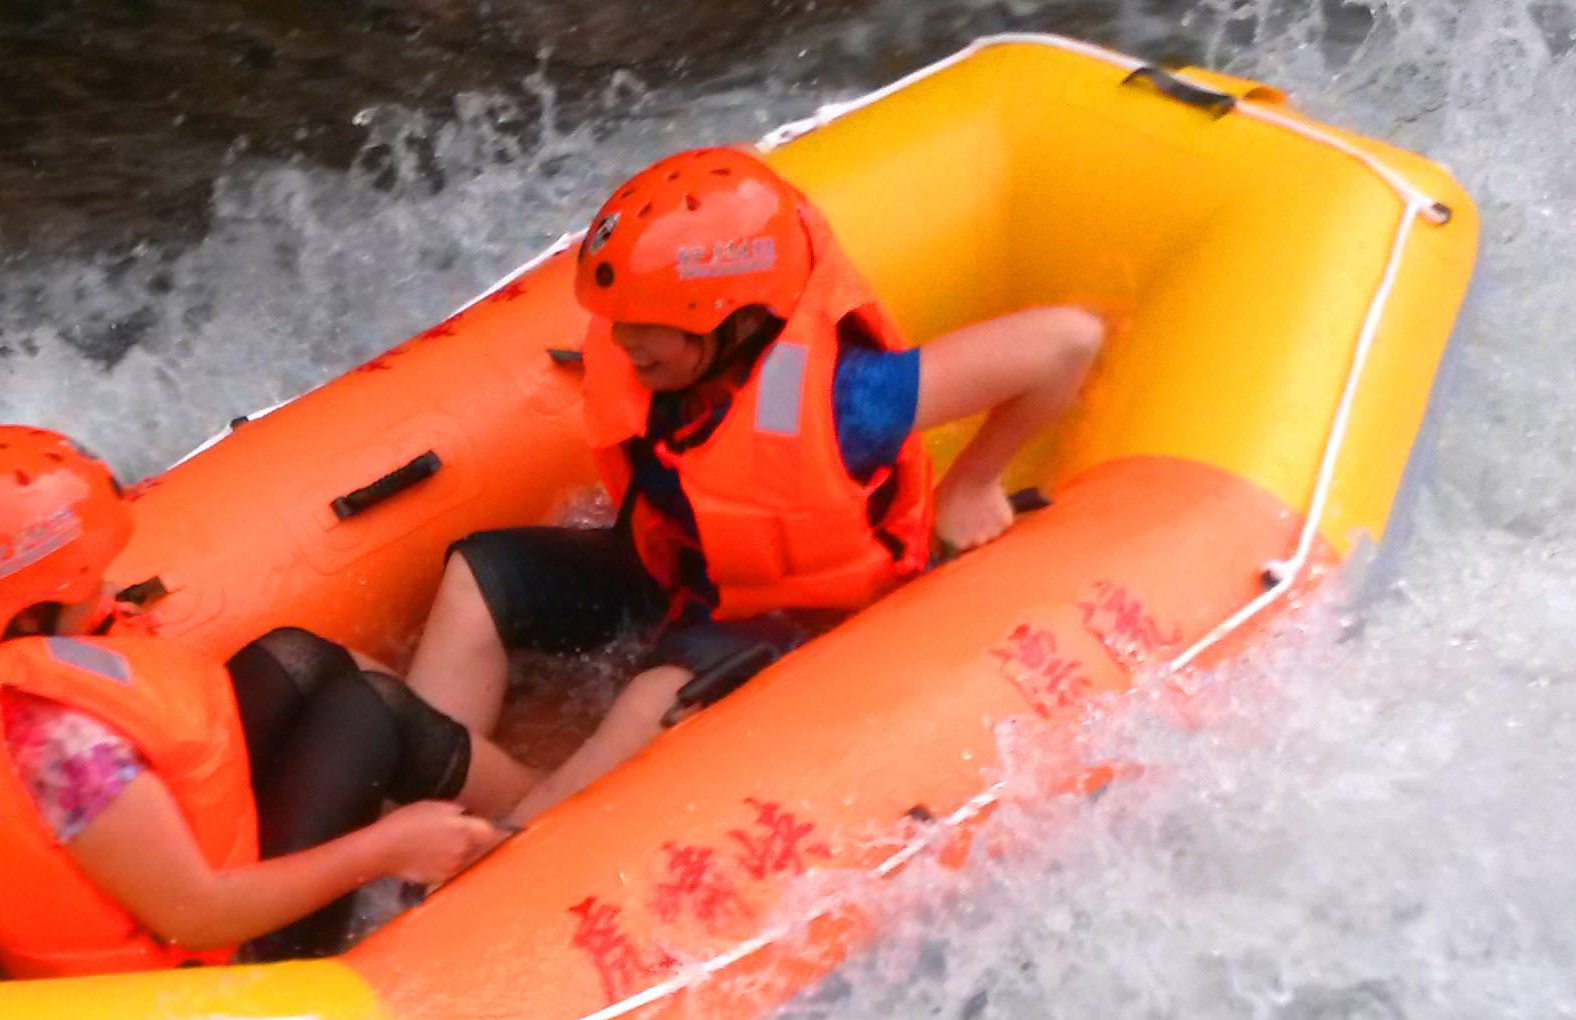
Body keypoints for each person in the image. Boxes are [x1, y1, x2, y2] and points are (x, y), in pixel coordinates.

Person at [403, 146, 1107, 825]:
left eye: (651, 327)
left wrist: (974, 481)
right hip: (684, 570)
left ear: (735, 323)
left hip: (788, 612)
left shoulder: (843, 401)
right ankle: (418, 807)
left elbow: (1068, 340)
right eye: (622, 322)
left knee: (646, 705)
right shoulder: (659, 371)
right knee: (480, 572)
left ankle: (495, 854)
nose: (624, 343)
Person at [0, 426, 506, 977]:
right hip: (202, 966)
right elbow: (197, 915)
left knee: (300, 657)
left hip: (160, 883)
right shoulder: (60, 743)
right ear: (27, 611)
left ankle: (518, 799)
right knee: (367, 715)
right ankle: (532, 826)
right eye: (88, 584)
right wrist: (384, 849)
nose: (106, 595)